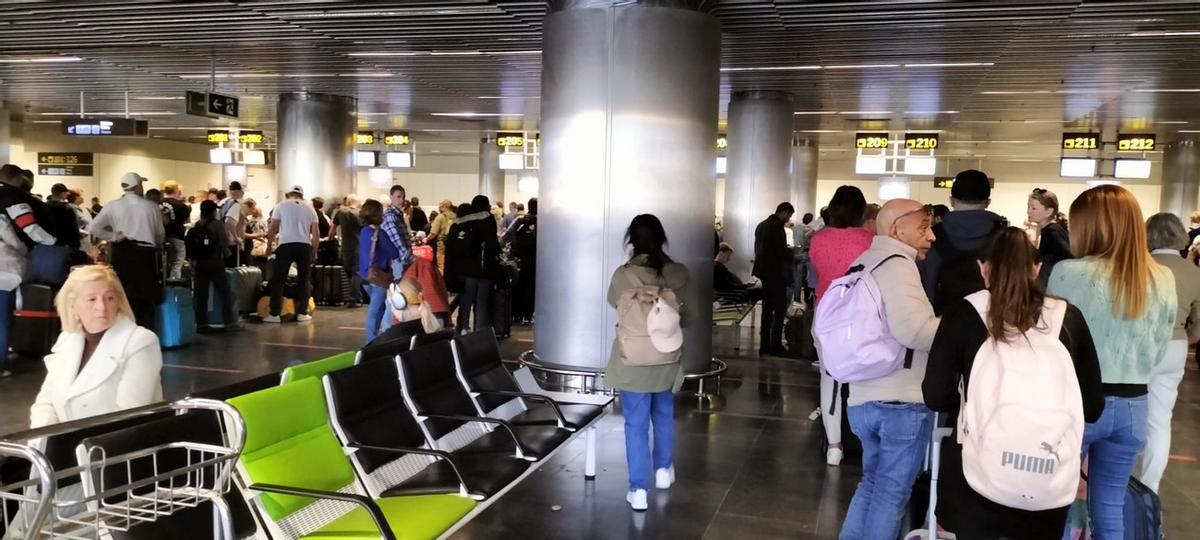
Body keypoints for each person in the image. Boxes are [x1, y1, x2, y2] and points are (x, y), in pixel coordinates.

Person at [923, 227, 1104, 539]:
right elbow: (1092, 406)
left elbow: (935, 395)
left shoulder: (964, 313)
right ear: (1035, 269)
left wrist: (973, 403)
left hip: (975, 477)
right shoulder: (1068, 317)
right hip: (1046, 479)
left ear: (984, 268)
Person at [1046, 185, 1176, 538]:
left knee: (1055, 501)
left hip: (1078, 403)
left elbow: (1051, 341)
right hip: (1135, 404)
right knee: (1110, 505)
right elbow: (1161, 346)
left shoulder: (1068, 273)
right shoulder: (1161, 277)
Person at [838, 199, 940, 540]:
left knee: (870, 486)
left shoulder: (863, 261)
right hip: (899, 402)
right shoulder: (898, 265)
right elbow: (913, 330)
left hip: (863, 397)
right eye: (923, 227)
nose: (932, 236)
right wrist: (957, 327)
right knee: (891, 496)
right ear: (897, 229)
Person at [605, 214, 692, 512]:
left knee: (635, 424)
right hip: (666, 356)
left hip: (634, 359)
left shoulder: (622, 275)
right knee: (664, 415)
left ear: (632, 240)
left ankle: (638, 489)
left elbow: (613, 303)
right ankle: (663, 471)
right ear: (661, 237)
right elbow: (688, 316)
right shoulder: (677, 273)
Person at [29, 265, 162, 428]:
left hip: (113, 449)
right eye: (92, 299)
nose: (102, 307)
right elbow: (45, 403)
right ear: (73, 306)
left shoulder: (141, 341)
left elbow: (128, 417)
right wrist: (44, 444)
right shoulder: (67, 339)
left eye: (109, 298)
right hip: (61, 447)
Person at [809, 186, 874, 467]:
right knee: (863, 380)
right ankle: (864, 441)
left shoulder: (818, 240)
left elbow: (818, 272)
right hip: (861, 317)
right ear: (861, 211)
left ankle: (834, 446)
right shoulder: (871, 240)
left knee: (830, 379)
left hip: (825, 314)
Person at [1140, 213, 1200, 493]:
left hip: (1139, 345)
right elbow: (1198, 328)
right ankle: (1149, 488)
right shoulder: (1194, 273)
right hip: (1175, 346)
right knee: (1160, 421)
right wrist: (1185, 338)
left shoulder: (1141, 267)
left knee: (1129, 414)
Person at [920, 169, 1006, 314]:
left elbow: (927, 283)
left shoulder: (932, 236)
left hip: (943, 321)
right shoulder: (1006, 237)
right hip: (993, 321)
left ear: (951, 201)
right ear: (988, 202)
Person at [1, 164, 60, 377]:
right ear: (17, 179)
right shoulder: (13, 199)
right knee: (2, 318)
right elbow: (28, 228)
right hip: (5, 268)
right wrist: (53, 242)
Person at [88, 172, 165, 329]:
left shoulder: (113, 205)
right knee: (145, 299)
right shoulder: (152, 207)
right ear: (138, 187)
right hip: (145, 254)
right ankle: (145, 335)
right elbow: (160, 235)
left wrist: (113, 236)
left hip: (121, 252)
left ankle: (123, 333)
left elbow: (93, 228)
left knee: (122, 296)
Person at [263, 185, 319, 324]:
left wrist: (269, 246)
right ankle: (302, 313)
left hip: (285, 245)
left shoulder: (281, 206)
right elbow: (316, 233)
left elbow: (273, 227)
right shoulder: (310, 208)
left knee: (279, 279)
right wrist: (315, 250)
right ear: (302, 195)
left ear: (290, 194)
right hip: (304, 246)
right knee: (304, 279)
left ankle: (275, 314)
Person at [448, 195, 501, 333]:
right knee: (481, 302)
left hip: (462, 270)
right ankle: (480, 331)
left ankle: (463, 327)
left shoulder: (458, 223)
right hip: (481, 270)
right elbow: (492, 244)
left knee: (466, 300)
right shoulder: (486, 219)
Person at [752, 202, 795, 356]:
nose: (789, 218)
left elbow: (759, 248)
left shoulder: (761, 225)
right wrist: (793, 253)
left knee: (767, 309)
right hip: (776, 272)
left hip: (764, 272)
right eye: (789, 215)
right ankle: (775, 345)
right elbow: (780, 251)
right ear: (783, 212)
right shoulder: (777, 227)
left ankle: (764, 345)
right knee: (779, 309)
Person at [190, 201, 236, 333]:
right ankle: (229, 322)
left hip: (200, 262)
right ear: (213, 211)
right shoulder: (217, 224)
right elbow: (223, 241)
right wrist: (227, 253)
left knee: (201, 294)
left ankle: (201, 323)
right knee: (224, 292)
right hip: (215, 261)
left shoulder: (198, 224)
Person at [359, 199, 398, 341]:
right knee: (374, 311)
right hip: (379, 277)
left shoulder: (363, 231)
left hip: (365, 276)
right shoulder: (380, 233)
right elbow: (395, 253)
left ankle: (375, 338)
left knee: (378, 308)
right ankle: (371, 342)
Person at [502, 197, 537, 324]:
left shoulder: (520, 220)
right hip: (535, 260)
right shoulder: (541, 221)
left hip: (519, 259)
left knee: (519, 285)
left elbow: (506, 235)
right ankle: (529, 314)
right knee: (532, 287)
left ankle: (517, 314)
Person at [1028, 188, 1071, 285]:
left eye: (1033, 208)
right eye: (1028, 207)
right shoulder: (1051, 230)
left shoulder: (1051, 232)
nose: (1028, 211)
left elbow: (1069, 256)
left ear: (1049, 211)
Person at [332, 195, 364, 308]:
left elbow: (333, 226)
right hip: (359, 245)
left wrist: (330, 238)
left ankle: (356, 297)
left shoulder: (340, 212)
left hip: (345, 246)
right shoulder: (360, 214)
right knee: (357, 272)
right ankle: (353, 298)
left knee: (348, 270)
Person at [382, 185, 416, 285]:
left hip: (401, 259)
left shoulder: (397, 214)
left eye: (403, 197)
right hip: (398, 260)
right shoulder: (390, 216)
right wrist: (411, 257)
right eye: (398, 196)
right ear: (391, 196)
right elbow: (396, 240)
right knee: (399, 293)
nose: (402, 200)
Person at [160, 181, 190, 282]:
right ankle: (174, 283)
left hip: (161, 237)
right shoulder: (181, 206)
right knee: (177, 262)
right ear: (176, 190)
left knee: (163, 262)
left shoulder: (158, 202)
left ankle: (163, 281)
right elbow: (186, 219)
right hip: (177, 236)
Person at [220, 182, 246, 267]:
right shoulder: (235, 204)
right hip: (230, 243)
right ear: (238, 191)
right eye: (242, 191)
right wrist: (236, 238)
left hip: (220, 240)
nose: (243, 193)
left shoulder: (222, 202)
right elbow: (229, 221)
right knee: (232, 271)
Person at [428, 199, 457, 274]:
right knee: (452, 264)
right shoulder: (456, 216)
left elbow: (433, 232)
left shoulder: (440, 217)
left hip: (442, 243)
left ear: (444, 206)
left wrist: (426, 239)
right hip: (453, 243)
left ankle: (442, 282)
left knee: (441, 265)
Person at [242, 198, 268, 268]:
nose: (253, 211)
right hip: (244, 250)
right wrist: (257, 235)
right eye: (252, 208)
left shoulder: (247, 220)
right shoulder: (242, 219)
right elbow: (242, 234)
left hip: (249, 249)